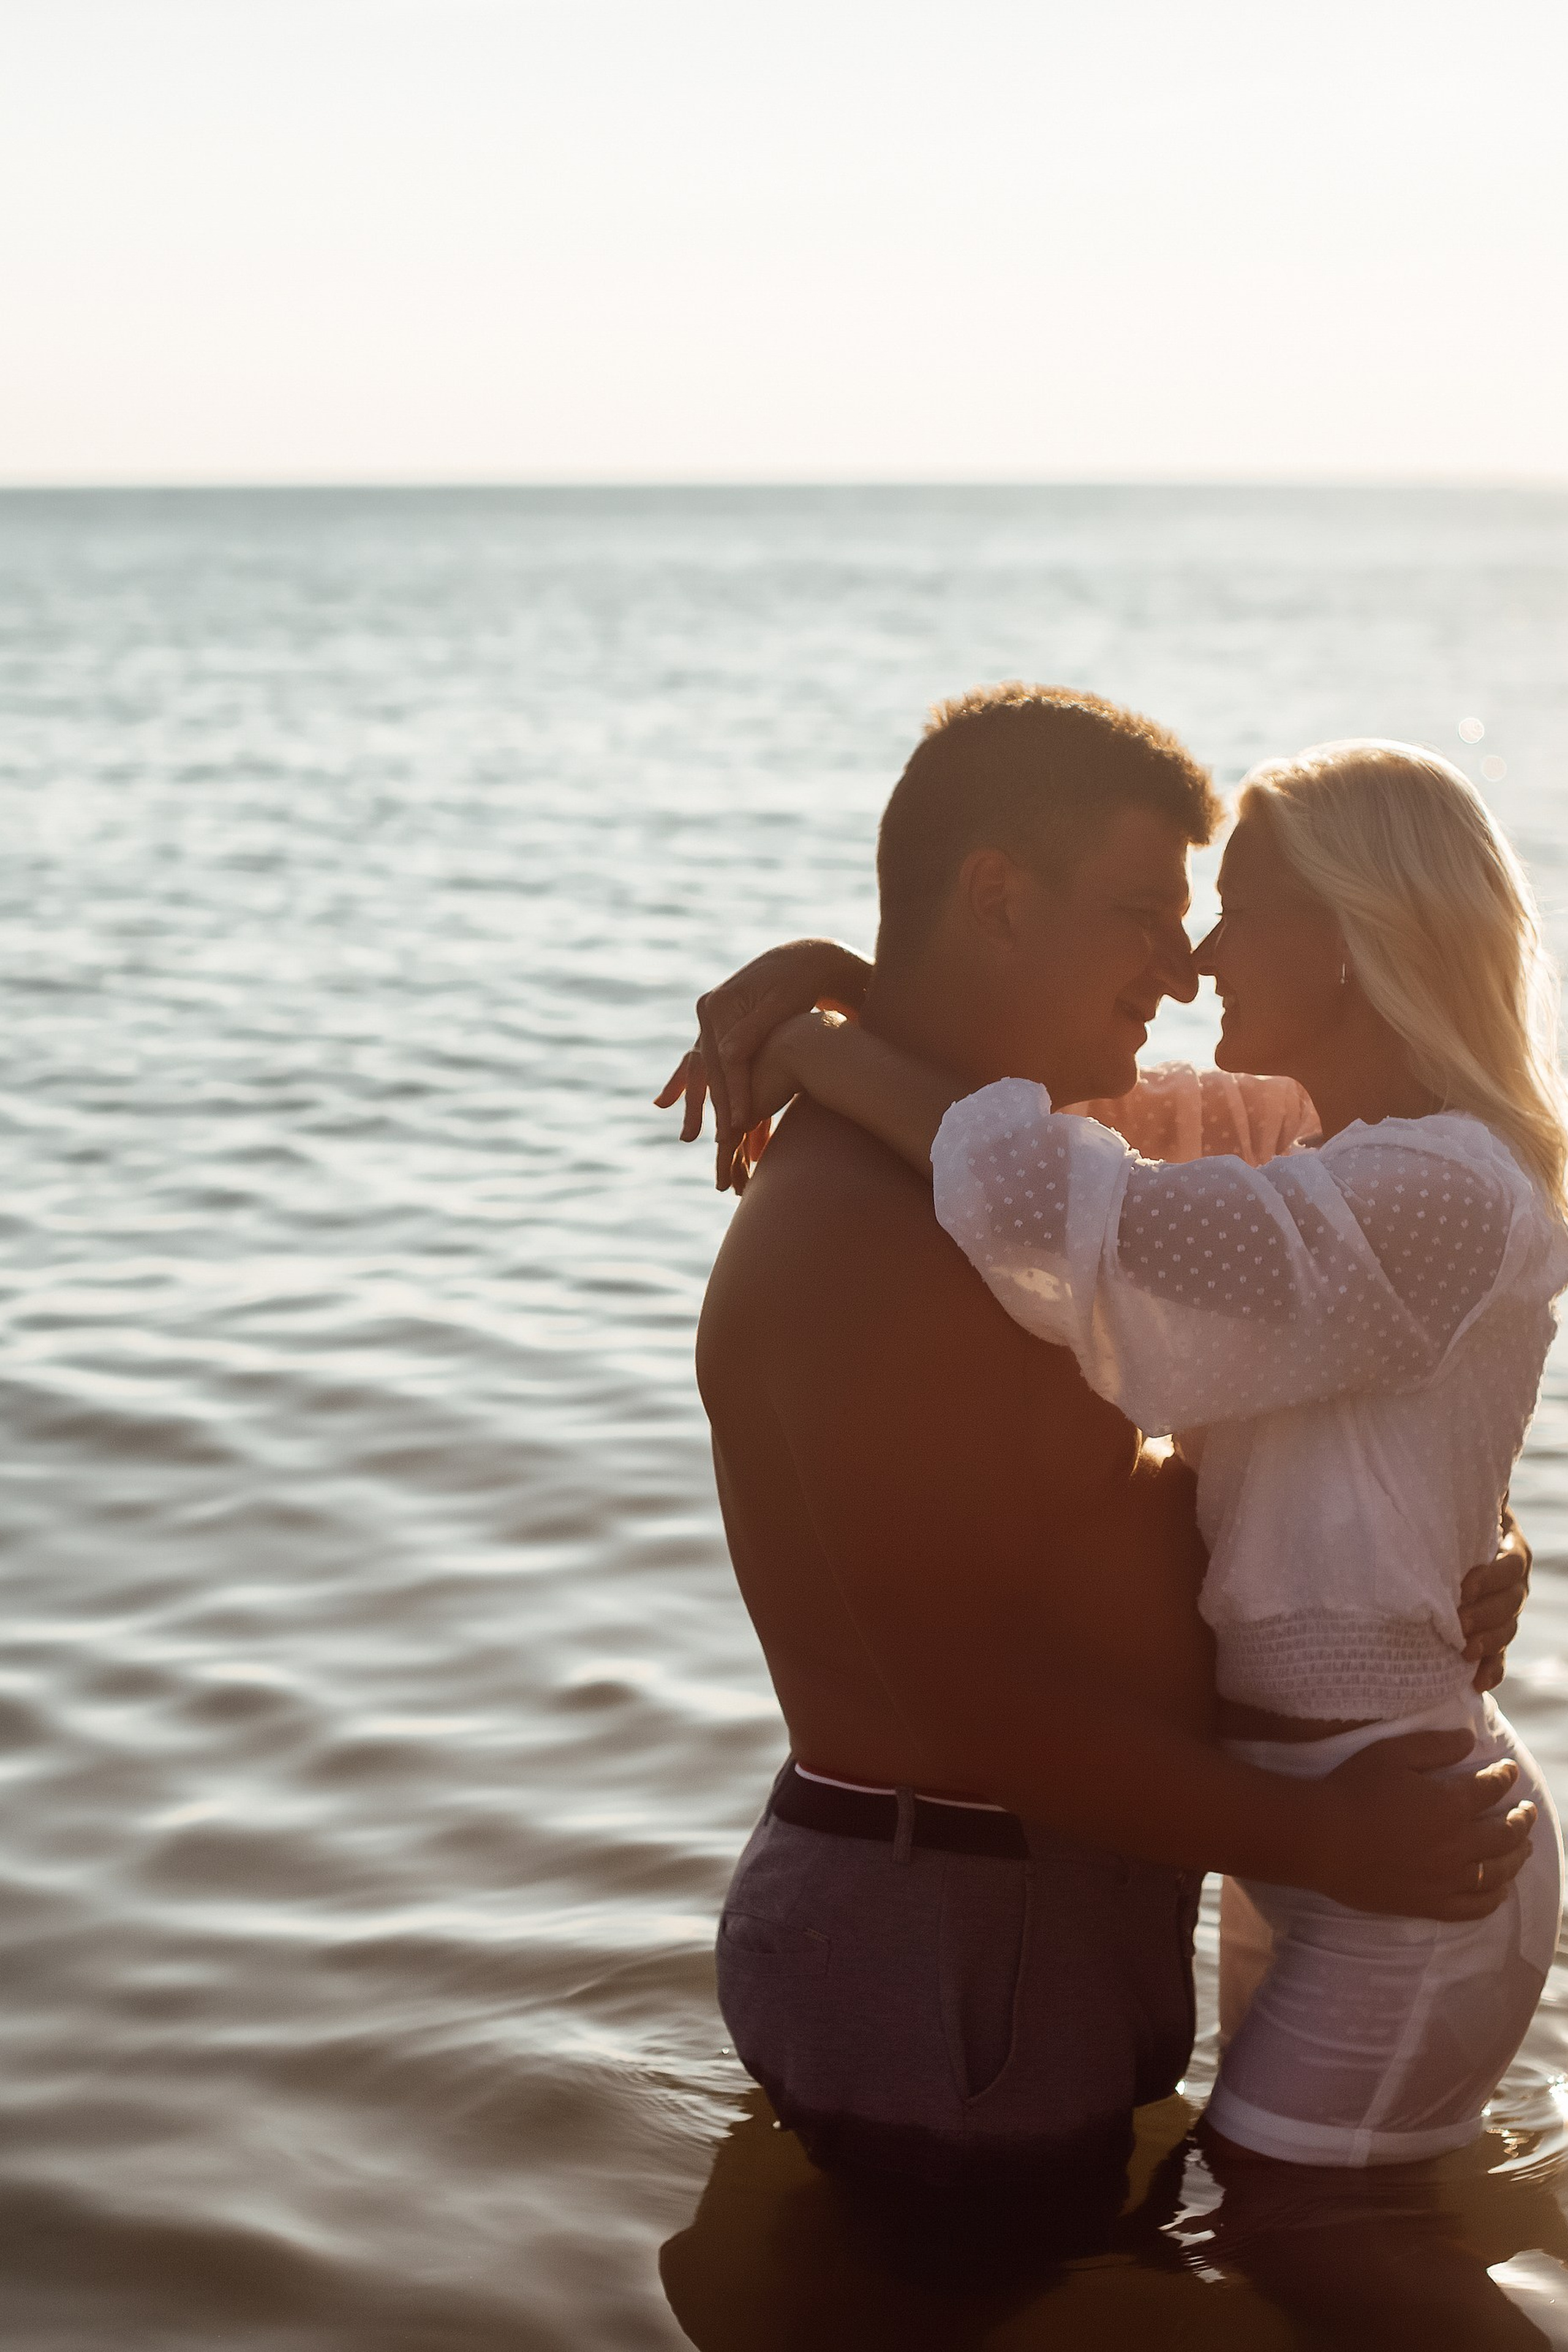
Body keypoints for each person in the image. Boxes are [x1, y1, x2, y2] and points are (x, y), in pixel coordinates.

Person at [657, 684, 1536, 2199]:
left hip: (1040, 1912)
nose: (1180, 967)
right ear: (997, 894)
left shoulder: (1048, 1174)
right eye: (1143, 911)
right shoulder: (879, 1230)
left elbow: (1283, 1274)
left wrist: (1456, 1533)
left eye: (1204, 916)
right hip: (953, 1925)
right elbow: (965, 1691)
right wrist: (1316, 1839)